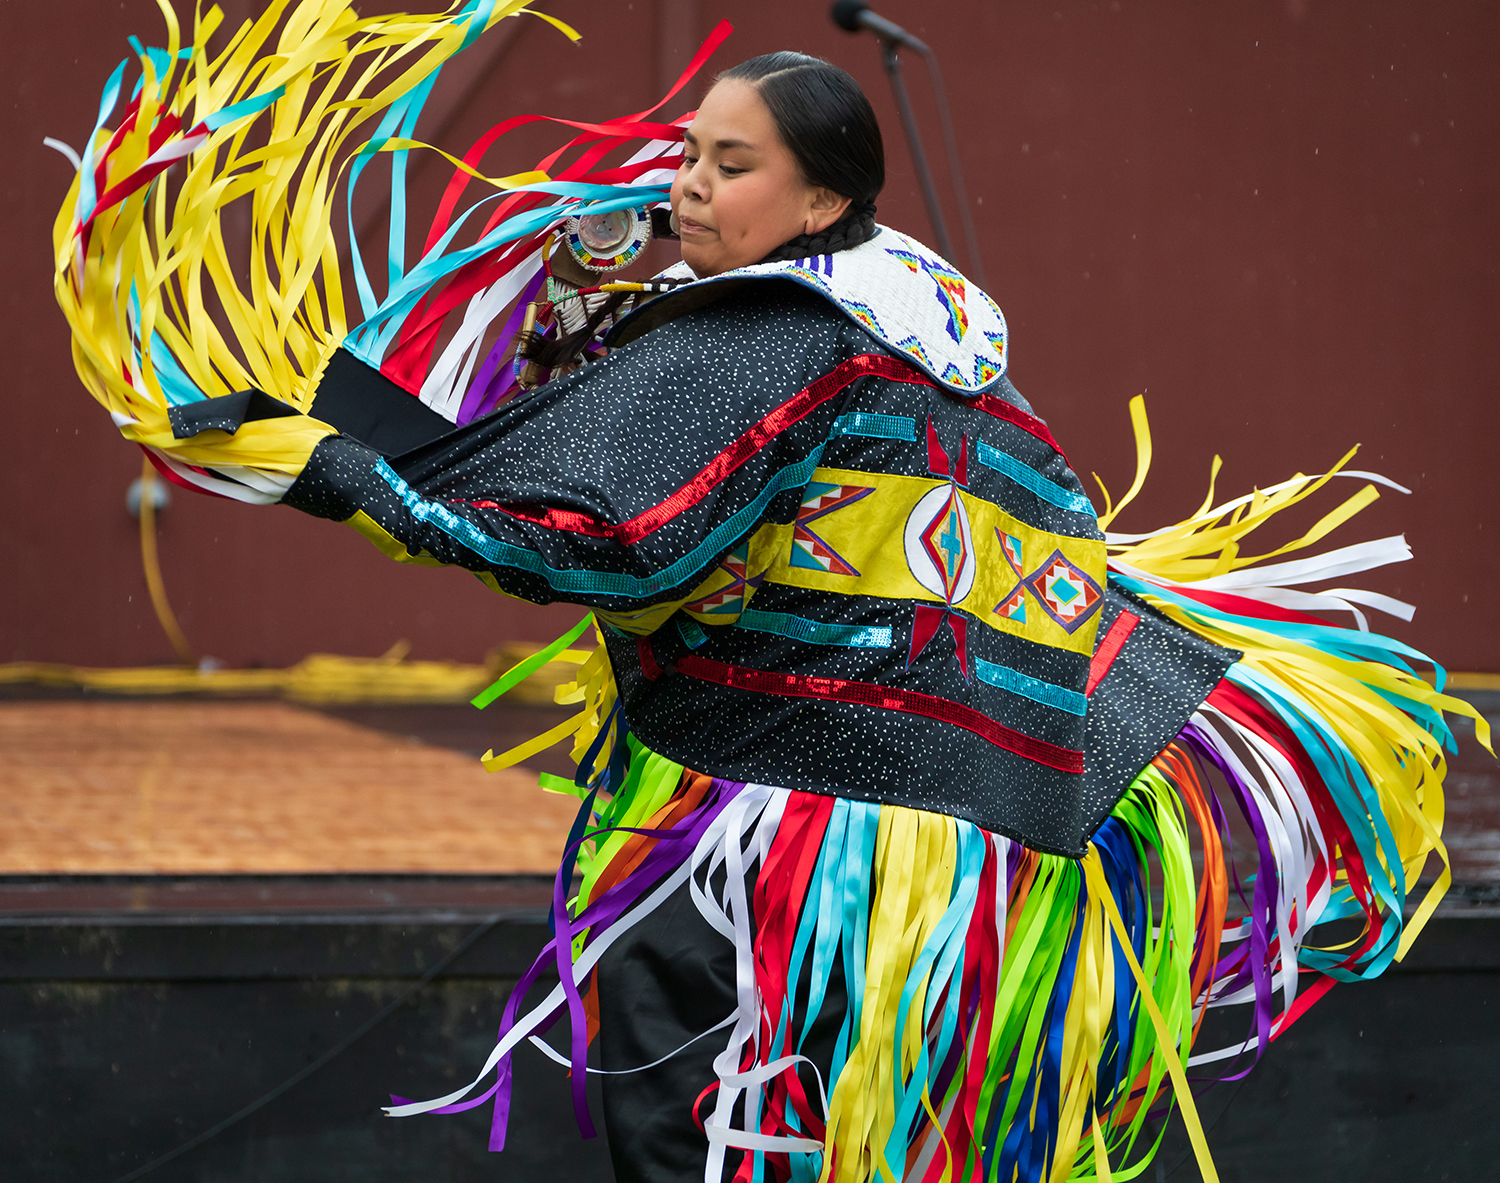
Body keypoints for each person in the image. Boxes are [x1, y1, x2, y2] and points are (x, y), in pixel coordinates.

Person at [52, 6, 1486, 1182]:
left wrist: (344, 472)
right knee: (872, 1142)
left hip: (771, 840)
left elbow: (607, 539)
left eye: (729, 165)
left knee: (696, 1126)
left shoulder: (766, 340)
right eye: (688, 152)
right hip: (957, 864)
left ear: (823, 197)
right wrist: (586, 324)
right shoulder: (934, 340)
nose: (686, 185)